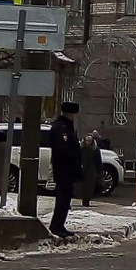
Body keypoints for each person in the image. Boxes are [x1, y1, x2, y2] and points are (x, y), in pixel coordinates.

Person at [48, 102, 83, 239]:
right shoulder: (61, 128)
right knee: (62, 199)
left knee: (65, 199)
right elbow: (63, 149)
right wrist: (73, 158)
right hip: (63, 169)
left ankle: (59, 225)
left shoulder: (66, 127)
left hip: (67, 169)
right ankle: (56, 226)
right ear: (71, 114)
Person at [79, 134, 102, 207]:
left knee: (89, 187)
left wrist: (99, 171)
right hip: (82, 169)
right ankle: (83, 200)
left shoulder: (95, 149)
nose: (88, 142)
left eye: (89, 141)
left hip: (91, 170)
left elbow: (98, 161)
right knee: (82, 186)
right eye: (87, 141)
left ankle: (87, 201)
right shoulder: (81, 148)